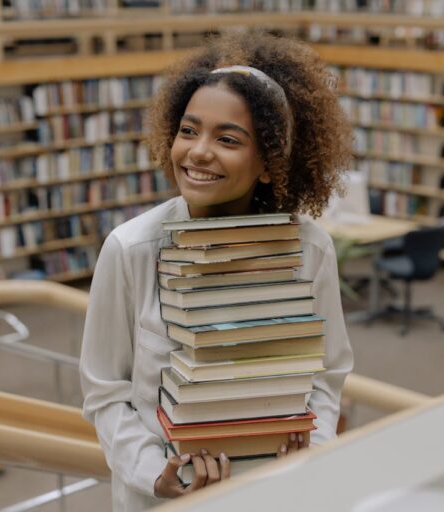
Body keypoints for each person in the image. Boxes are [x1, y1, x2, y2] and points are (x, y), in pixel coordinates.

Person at [79, 31, 354, 512]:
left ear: (269, 163)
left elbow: (327, 377)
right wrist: (153, 475)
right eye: (188, 131)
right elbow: (105, 394)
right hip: (165, 497)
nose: (198, 152)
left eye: (227, 139)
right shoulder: (131, 250)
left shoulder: (311, 250)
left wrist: (315, 452)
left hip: (275, 493)